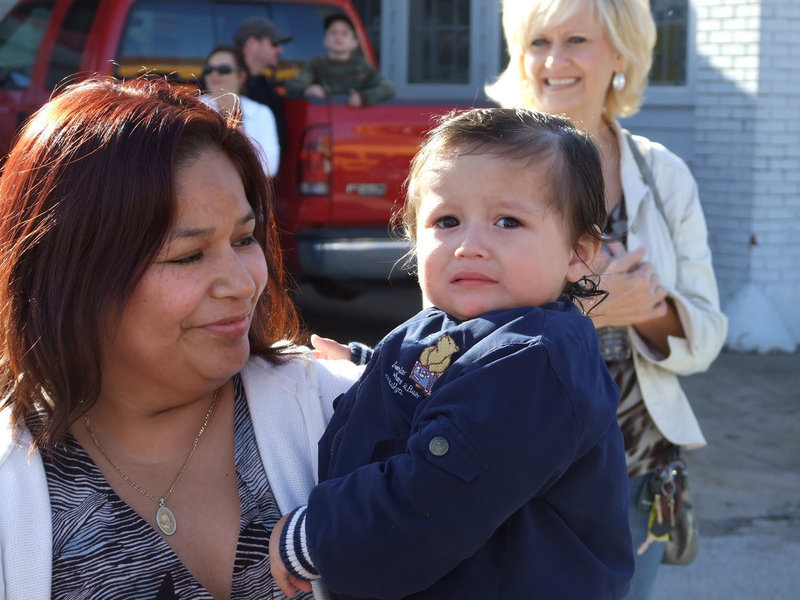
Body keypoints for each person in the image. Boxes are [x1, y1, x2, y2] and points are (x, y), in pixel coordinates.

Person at [0, 76, 361, 600]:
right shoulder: (15, 492)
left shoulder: (341, 409)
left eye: (244, 238)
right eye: (188, 255)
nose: (242, 284)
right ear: (70, 275)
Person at [269, 107, 634, 599]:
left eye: (508, 221)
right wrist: (367, 365)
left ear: (578, 253)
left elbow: (434, 493)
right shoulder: (464, 326)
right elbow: (441, 375)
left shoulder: (535, 361)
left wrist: (314, 537)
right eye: (447, 221)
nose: (469, 246)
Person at [484, 1, 728, 597]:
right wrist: (590, 310)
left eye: (576, 41)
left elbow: (706, 335)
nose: (554, 60)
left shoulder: (662, 173)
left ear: (621, 52)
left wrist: (643, 306)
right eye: (539, 41)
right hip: (517, 472)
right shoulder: (480, 164)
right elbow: (449, 331)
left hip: (638, 474)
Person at [201, 44, 281, 176]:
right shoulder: (193, 108)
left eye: (224, 69)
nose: (214, 74)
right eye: (209, 69)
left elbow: (269, 166)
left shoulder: (262, 113)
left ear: (241, 76)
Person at [285, 13, 395, 107]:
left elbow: (389, 88)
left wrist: (364, 97)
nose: (338, 37)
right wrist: (309, 89)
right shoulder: (316, 64)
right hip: (324, 118)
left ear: (354, 43)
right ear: (324, 40)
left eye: (344, 33)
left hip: (352, 120)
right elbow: (293, 85)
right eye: (333, 32)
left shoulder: (360, 66)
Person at [234, 16, 292, 151]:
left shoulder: (269, 93)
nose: (280, 50)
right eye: (274, 43)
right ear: (252, 43)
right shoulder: (214, 83)